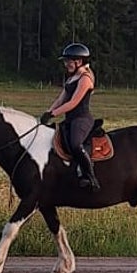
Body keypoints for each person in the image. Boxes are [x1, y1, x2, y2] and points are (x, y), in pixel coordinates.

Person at [48, 42, 99, 189]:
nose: (66, 64)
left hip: (82, 119)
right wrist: (47, 112)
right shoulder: (71, 78)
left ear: (79, 61)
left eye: (68, 61)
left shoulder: (85, 78)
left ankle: (90, 177)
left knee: (76, 144)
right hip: (70, 119)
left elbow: (73, 103)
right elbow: (61, 99)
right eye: (65, 61)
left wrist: (53, 114)